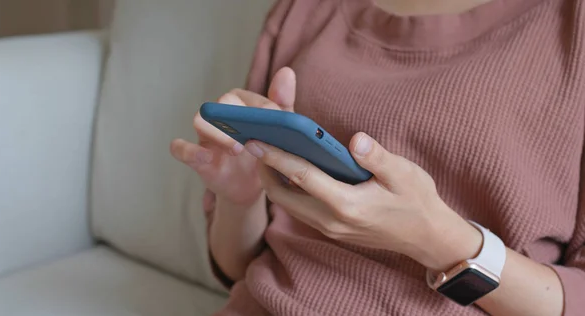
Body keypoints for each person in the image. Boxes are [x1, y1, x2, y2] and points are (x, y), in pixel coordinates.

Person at [170, 0, 585, 315]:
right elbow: (236, 270)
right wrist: (240, 199)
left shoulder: (571, 25)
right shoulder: (304, 10)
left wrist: (438, 240)